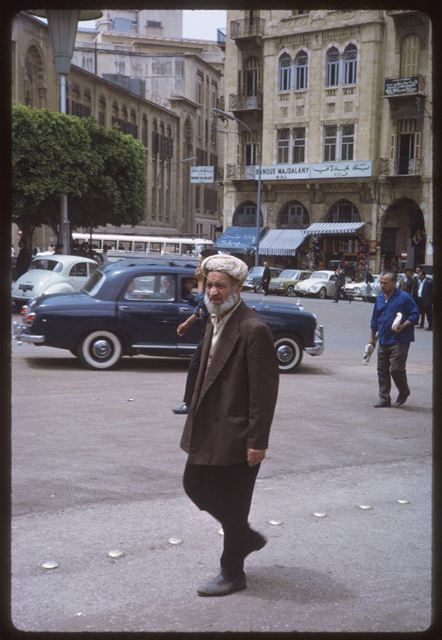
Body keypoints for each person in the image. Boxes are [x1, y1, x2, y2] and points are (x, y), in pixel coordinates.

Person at [180, 253, 279, 597]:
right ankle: (244, 535)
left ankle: (232, 572)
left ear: (238, 287)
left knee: (235, 502)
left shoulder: (254, 329)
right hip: (209, 426)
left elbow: (264, 393)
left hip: (237, 433)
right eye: (210, 284)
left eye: (221, 285)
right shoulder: (214, 318)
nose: (214, 291)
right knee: (193, 482)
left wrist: (257, 440)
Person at [173, 248, 218, 415]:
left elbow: (204, 302)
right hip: (209, 329)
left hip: (214, 330)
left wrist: (199, 281)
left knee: (198, 366)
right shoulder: (210, 278)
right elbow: (200, 308)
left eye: (201, 261)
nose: (199, 265)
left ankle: (190, 403)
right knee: (201, 366)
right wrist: (187, 323)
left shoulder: (213, 279)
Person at [368, 271, 419, 408]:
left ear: (394, 283)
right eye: (381, 282)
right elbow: (375, 319)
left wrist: (403, 326)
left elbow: (415, 315)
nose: (382, 285)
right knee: (382, 369)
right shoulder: (379, 298)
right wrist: (372, 337)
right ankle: (384, 398)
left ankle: (404, 391)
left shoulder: (404, 298)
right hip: (383, 339)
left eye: (385, 283)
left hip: (400, 340)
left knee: (396, 369)